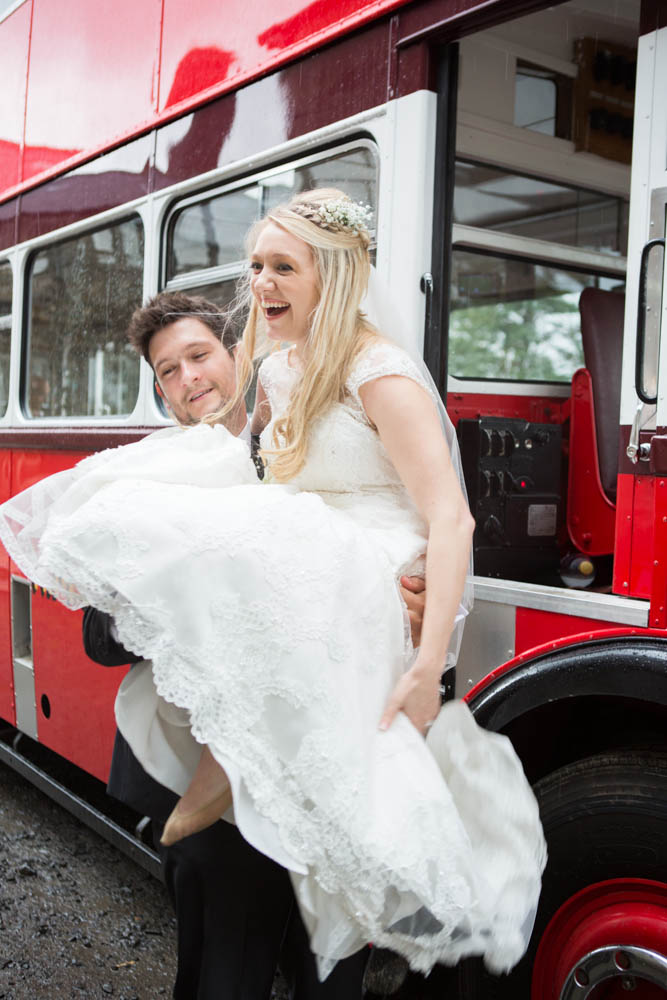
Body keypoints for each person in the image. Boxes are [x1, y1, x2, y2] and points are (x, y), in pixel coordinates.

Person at [0, 189, 546, 982]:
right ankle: (220, 770)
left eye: (281, 267)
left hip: (352, 618)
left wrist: (417, 643)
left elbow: (443, 521)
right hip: (251, 747)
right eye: (254, 266)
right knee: (223, 963)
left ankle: (236, 784)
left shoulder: (369, 374)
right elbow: (115, 621)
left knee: (331, 964)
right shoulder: (256, 403)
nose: (260, 283)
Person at [83, 290, 427, 999]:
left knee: (330, 979)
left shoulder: (316, 446)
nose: (189, 380)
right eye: (168, 371)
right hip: (217, 797)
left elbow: (390, 535)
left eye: (199, 356)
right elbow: (100, 637)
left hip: (331, 779)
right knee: (220, 978)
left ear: (237, 354)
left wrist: (383, 589)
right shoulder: (152, 475)